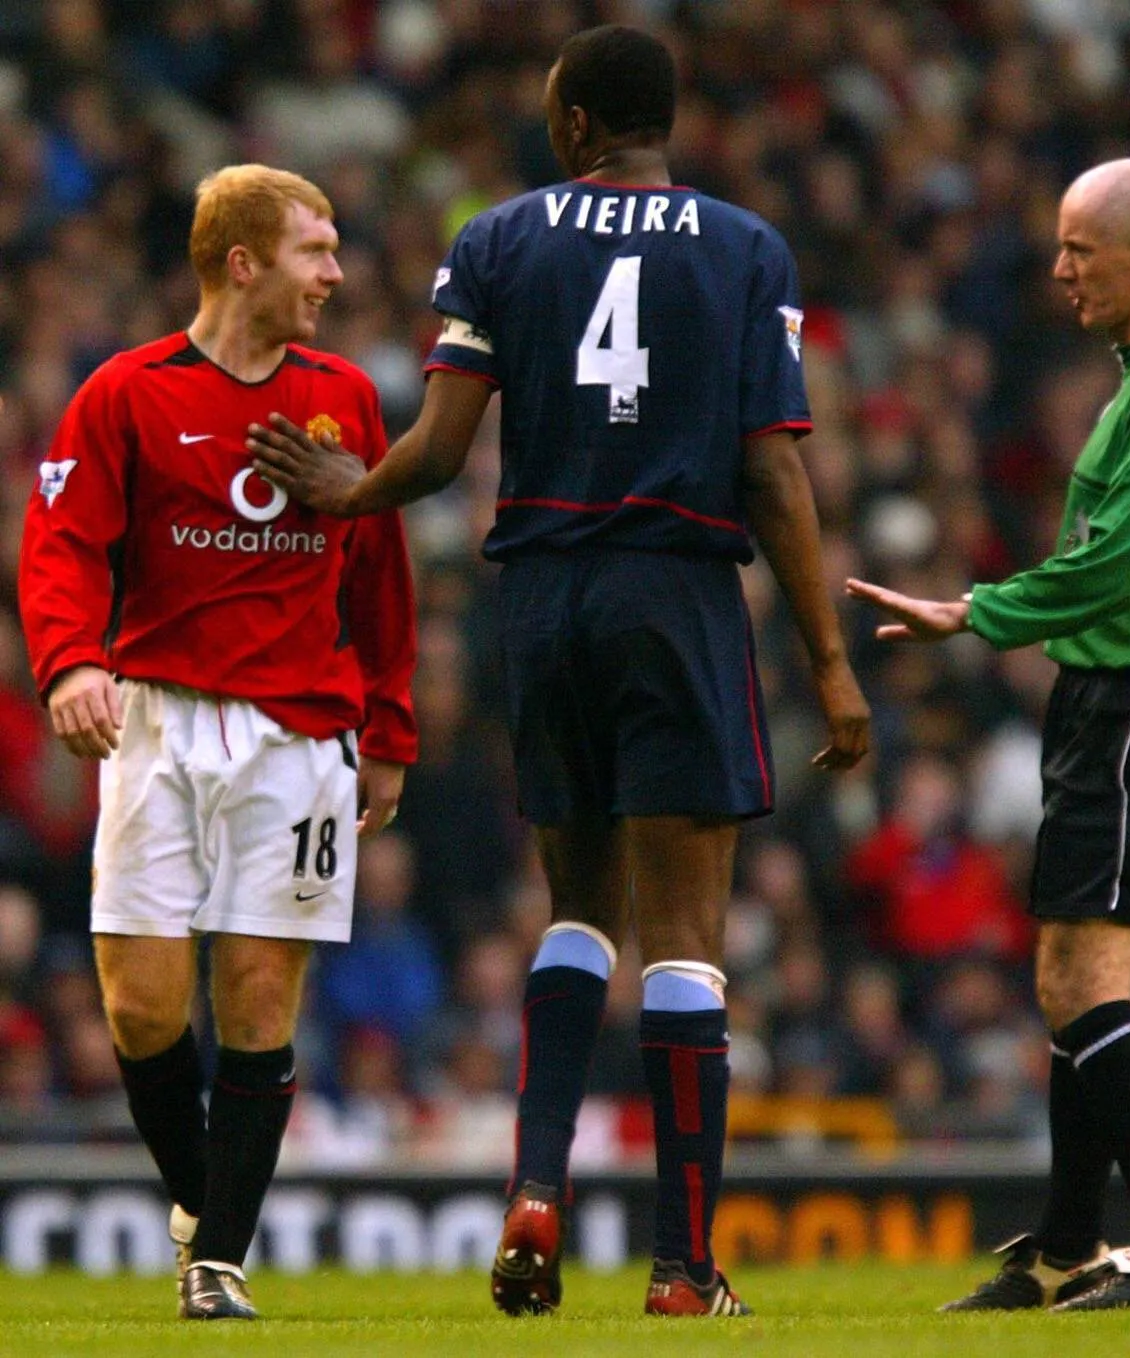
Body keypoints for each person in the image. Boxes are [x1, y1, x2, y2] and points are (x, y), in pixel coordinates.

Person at [248, 23, 869, 1319]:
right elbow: (771, 468)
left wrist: (346, 489)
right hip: (675, 590)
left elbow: (438, 445)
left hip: (539, 598)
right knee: (686, 934)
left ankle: (534, 1183)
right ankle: (681, 1265)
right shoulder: (749, 249)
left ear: (579, 122)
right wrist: (827, 658)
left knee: (576, 910)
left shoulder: (499, 239)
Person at [848, 158, 1130, 1312]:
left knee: (1087, 978)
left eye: (1081, 248)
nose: (1060, 269)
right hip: (1117, 702)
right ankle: (1073, 1244)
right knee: (1067, 977)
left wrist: (981, 610)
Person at [18, 164, 418, 1320]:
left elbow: (383, 578)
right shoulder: (127, 392)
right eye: (315, 251)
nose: (337, 274)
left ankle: (216, 1261)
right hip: (157, 720)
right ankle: (205, 1197)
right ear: (242, 262)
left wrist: (387, 728)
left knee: (256, 997)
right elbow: (61, 545)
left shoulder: (345, 394)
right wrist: (72, 659)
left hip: (300, 737)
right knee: (143, 1008)